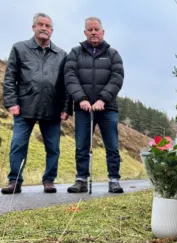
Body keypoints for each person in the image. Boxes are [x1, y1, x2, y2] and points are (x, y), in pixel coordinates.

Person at [1, 13, 70, 194]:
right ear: (33, 27)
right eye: (40, 24)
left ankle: (49, 180)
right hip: (24, 106)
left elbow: (67, 84)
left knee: (53, 148)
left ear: (52, 31)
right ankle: (14, 181)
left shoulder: (62, 55)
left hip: (52, 108)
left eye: (47, 26)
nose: (44, 28)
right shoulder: (19, 48)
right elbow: (10, 78)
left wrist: (66, 108)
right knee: (18, 144)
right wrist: (11, 102)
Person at [64, 17, 124, 194]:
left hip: (107, 108)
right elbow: (70, 76)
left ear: (103, 32)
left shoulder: (113, 54)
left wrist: (102, 100)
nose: (93, 32)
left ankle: (114, 179)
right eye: (90, 30)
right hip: (83, 109)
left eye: (96, 29)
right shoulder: (75, 53)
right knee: (81, 144)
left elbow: (117, 78)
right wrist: (81, 98)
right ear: (85, 32)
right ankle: (81, 180)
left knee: (112, 145)